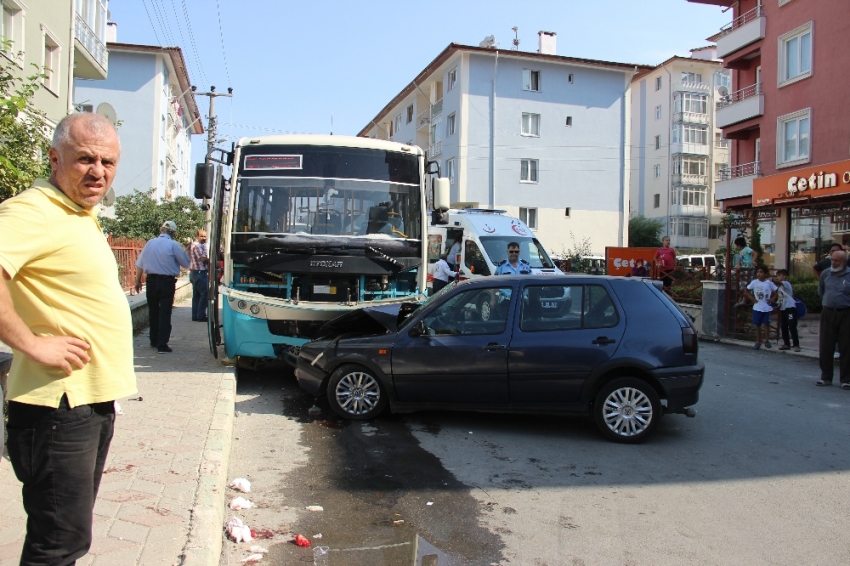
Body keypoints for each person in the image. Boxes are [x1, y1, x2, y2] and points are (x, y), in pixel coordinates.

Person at [0, 113, 136, 564]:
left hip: (86, 402)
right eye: (85, 159)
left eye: (108, 161)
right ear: (54, 159)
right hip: (55, 407)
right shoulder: (33, 210)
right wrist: (32, 343)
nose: (98, 171)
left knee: (66, 538)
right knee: (57, 543)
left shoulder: (78, 213)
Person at [134, 221, 190, 353]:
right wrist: (187, 250)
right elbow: (186, 263)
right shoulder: (173, 245)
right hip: (166, 282)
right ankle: (162, 344)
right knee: (165, 313)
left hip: (151, 281)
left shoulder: (150, 243)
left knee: (153, 312)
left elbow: (140, 264)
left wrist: (137, 281)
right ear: (173, 232)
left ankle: (153, 340)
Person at [815, 250, 850, 388]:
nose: (833, 263)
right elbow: (821, 291)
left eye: (837, 261)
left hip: (846, 313)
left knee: (846, 346)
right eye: (832, 260)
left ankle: (846, 379)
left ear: (844, 262)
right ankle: (826, 377)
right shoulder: (826, 274)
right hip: (828, 313)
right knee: (826, 345)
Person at [742, 265, 777, 351]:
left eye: (761, 272)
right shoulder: (754, 282)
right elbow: (746, 290)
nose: (759, 274)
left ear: (765, 274)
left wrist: (772, 299)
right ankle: (758, 341)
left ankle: (767, 340)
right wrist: (752, 298)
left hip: (766, 307)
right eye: (758, 272)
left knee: (766, 324)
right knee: (757, 324)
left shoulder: (769, 283)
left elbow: (776, 291)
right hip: (757, 307)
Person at [773, 269, 800, 352]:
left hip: (789, 307)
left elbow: (778, 282)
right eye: (777, 276)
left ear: (785, 276)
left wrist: (771, 279)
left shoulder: (786, 283)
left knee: (792, 326)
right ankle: (786, 343)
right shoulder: (779, 287)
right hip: (783, 307)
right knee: (783, 326)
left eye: (779, 275)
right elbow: (779, 297)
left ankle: (796, 344)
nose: (778, 277)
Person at [189, 229, 210, 322]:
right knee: (204, 294)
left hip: (196, 272)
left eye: (205, 236)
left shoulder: (200, 245)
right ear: (197, 236)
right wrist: (212, 261)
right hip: (199, 272)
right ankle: (201, 315)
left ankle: (195, 315)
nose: (204, 238)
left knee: (197, 295)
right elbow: (202, 259)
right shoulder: (197, 246)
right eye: (201, 236)